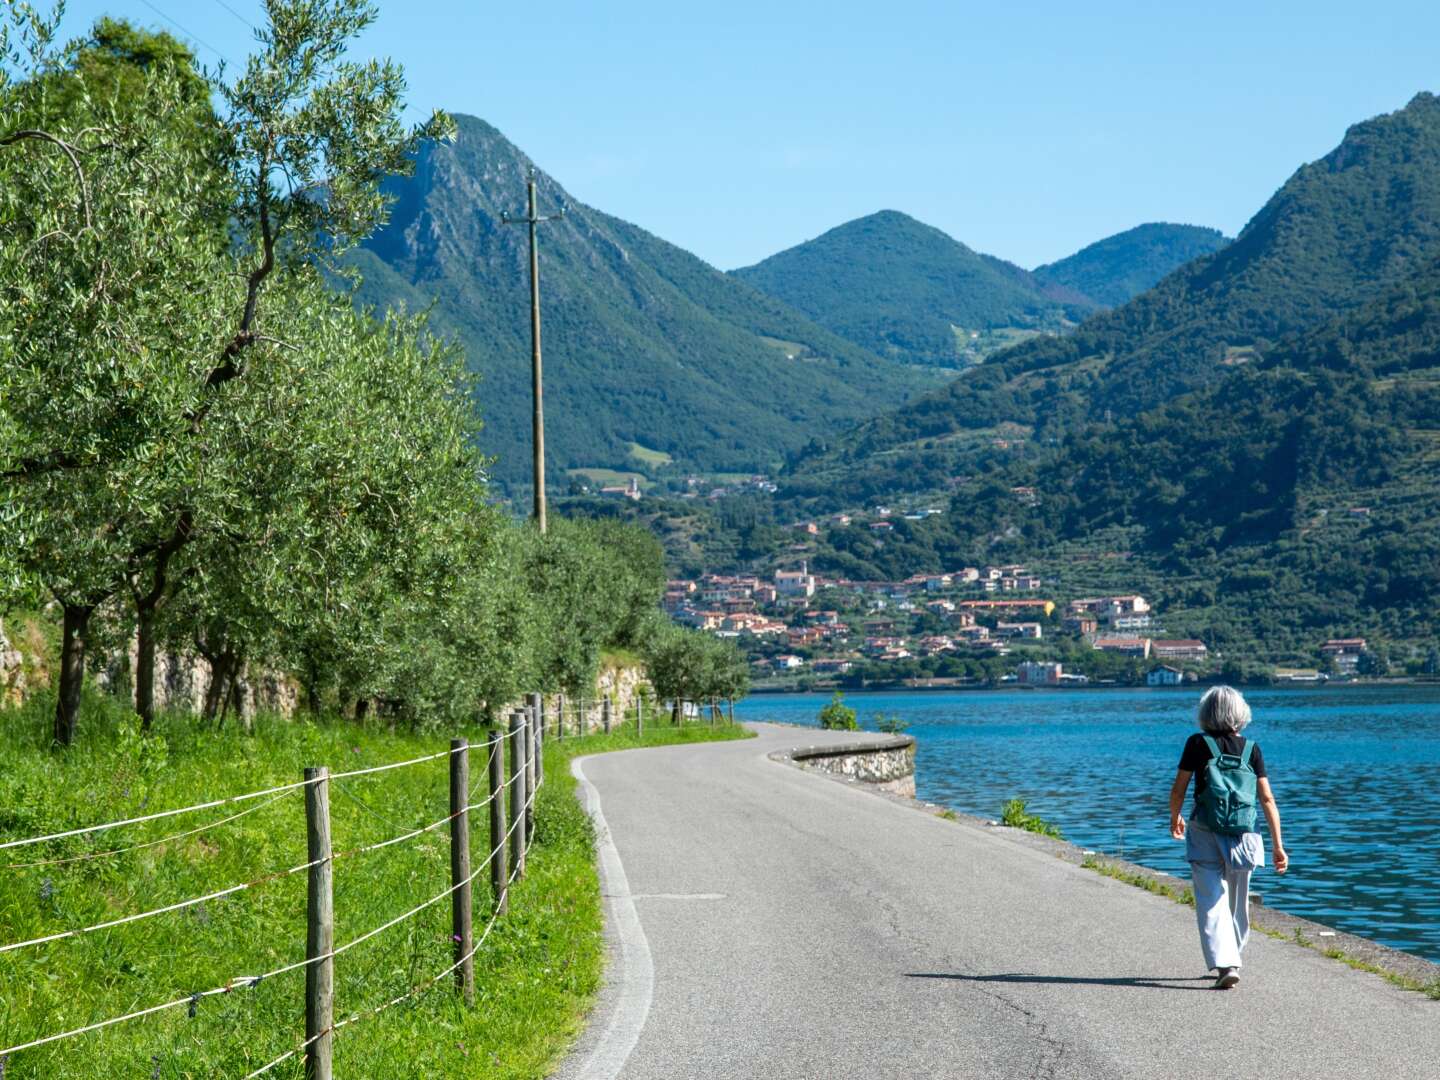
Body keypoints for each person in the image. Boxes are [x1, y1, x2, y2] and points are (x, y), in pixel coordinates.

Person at [1167, 685, 1288, 989]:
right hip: (1244, 833)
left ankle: (1226, 962)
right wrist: (1278, 846)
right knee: (1238, 902)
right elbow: (1267, 799)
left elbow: (1179, 787)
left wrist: (1175, 815)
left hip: (1205, 828)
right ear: (1239, 713)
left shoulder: (1197, 743)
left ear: (1206, 713)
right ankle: (1233, 956)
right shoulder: (1252, 749)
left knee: (1211, 899)